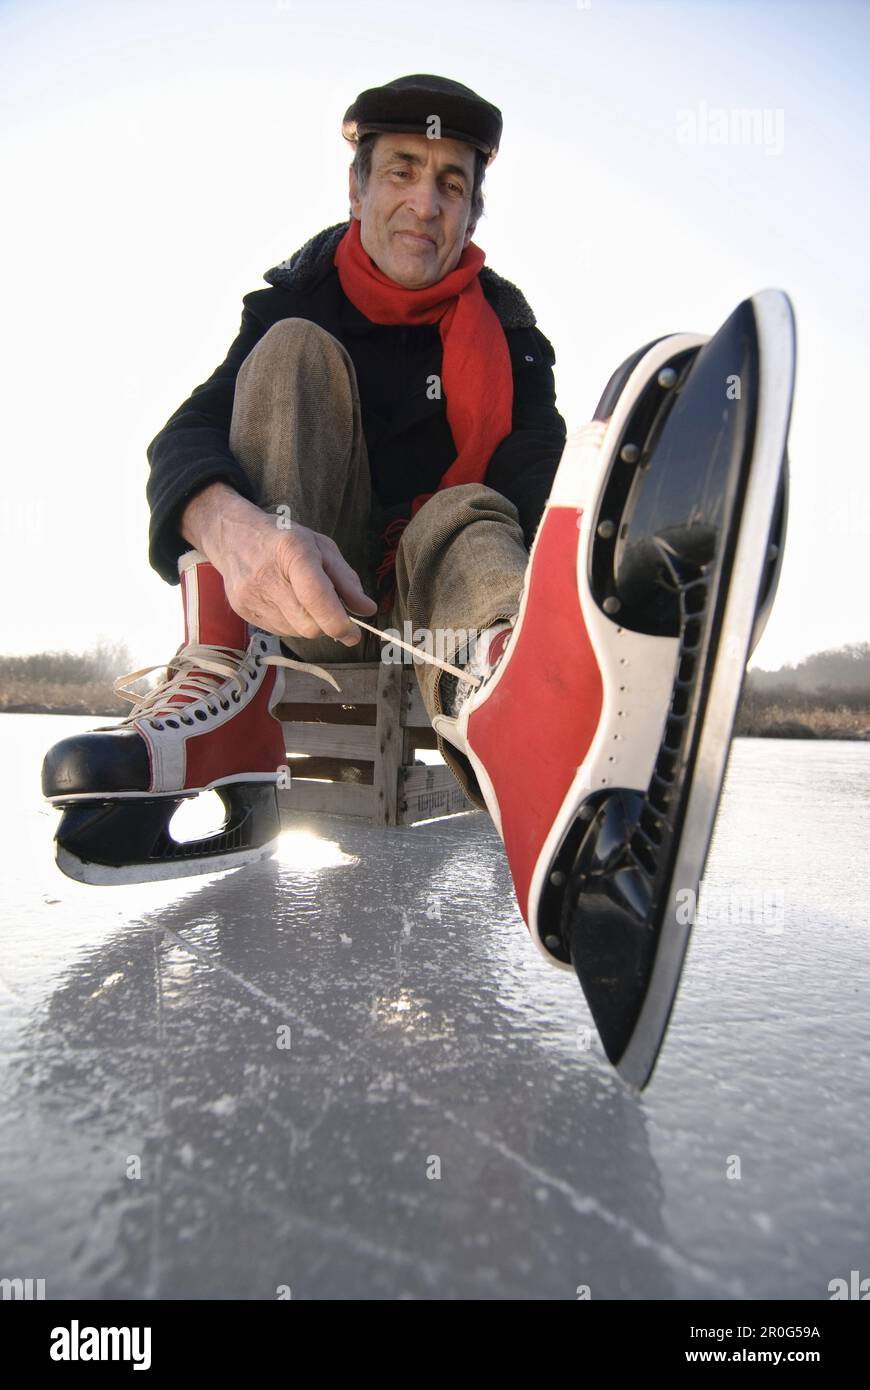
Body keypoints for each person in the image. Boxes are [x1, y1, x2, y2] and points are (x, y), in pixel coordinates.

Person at [42, 72, 795, 1088]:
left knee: (469, 509)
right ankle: (230, 701)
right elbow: (183, 442)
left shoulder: (510, 334)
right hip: (301, 583)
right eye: (403, 172)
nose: (426, 202)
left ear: (473, 208)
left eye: (452, 182)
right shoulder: (293, 297)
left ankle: (516, 701)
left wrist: (568, 574)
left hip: (437, 614)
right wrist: (240, 534)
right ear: (359, 190)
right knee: (290, 357)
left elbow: (524, 493)